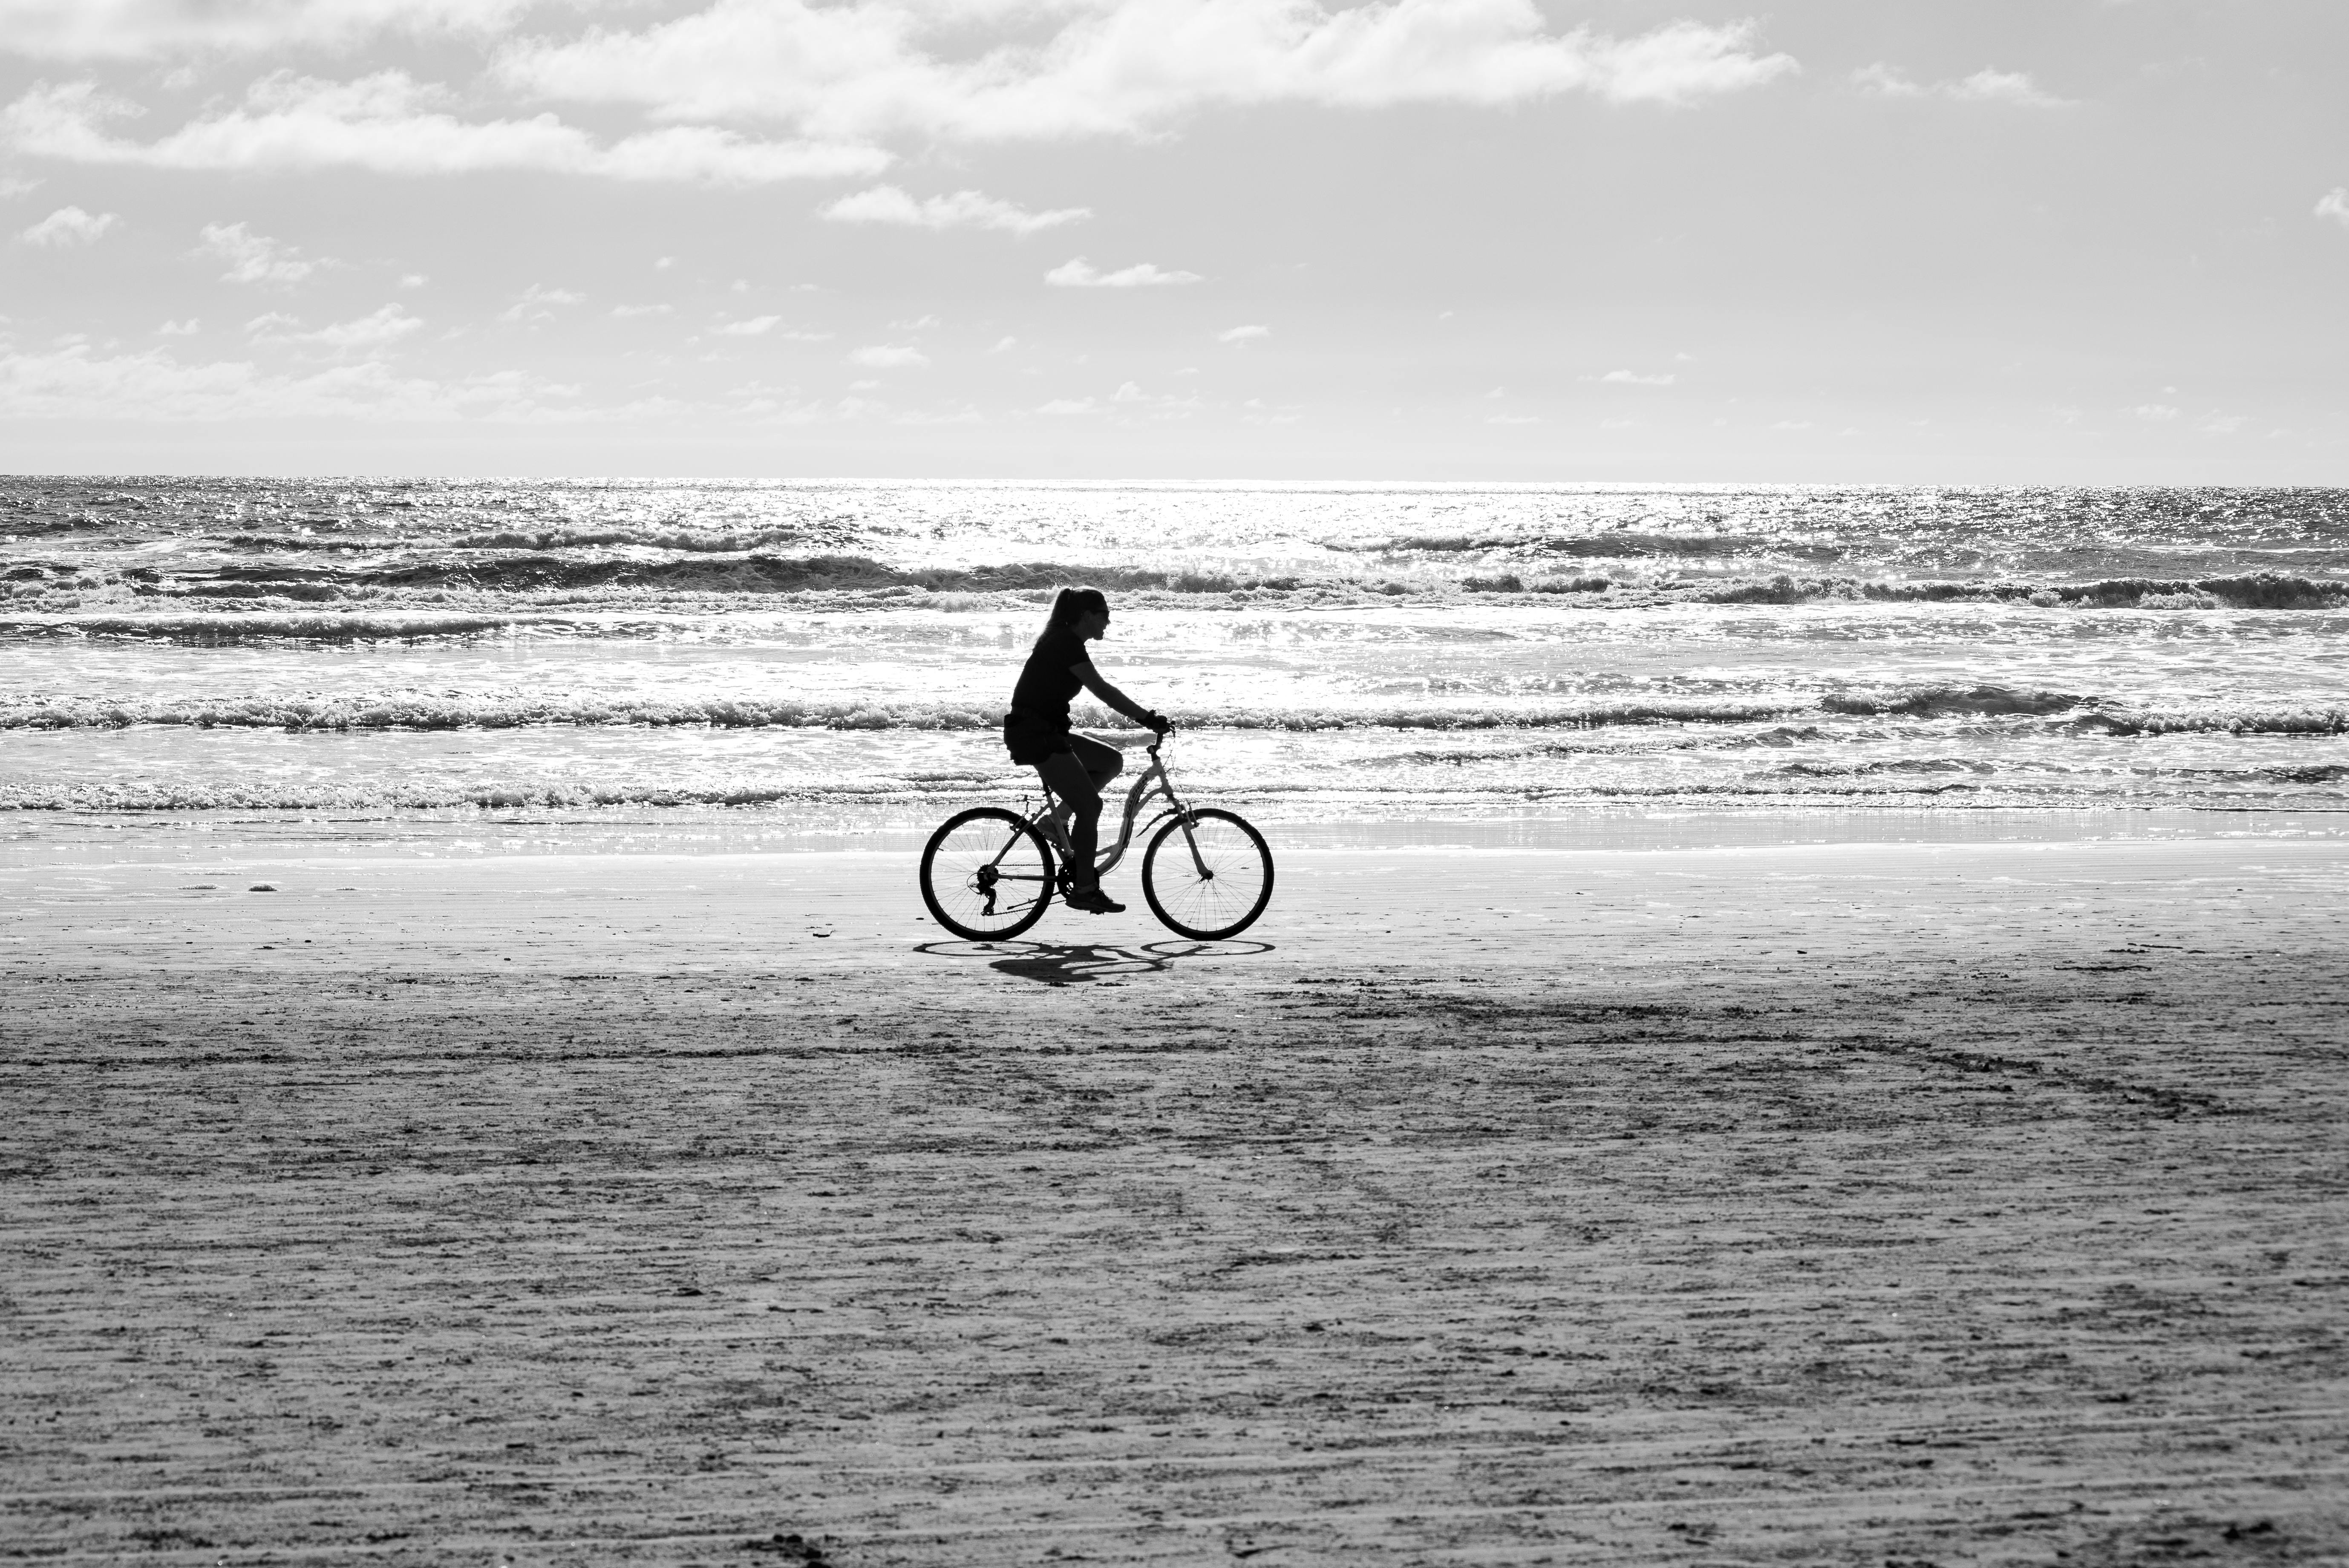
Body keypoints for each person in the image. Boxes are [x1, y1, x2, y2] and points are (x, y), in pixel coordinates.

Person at [1003, 587, 1170, 914]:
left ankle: (1056, 821)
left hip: (1047, 731)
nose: (1108, 622)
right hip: (1035, 734)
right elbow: (1103, 691)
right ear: (1086, 616)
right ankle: (1084, 888)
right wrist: (1147, 718)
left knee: (1110, 761)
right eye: (1104, 615)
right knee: (1091, 807)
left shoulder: (1067, 641)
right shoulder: (1065, 642)